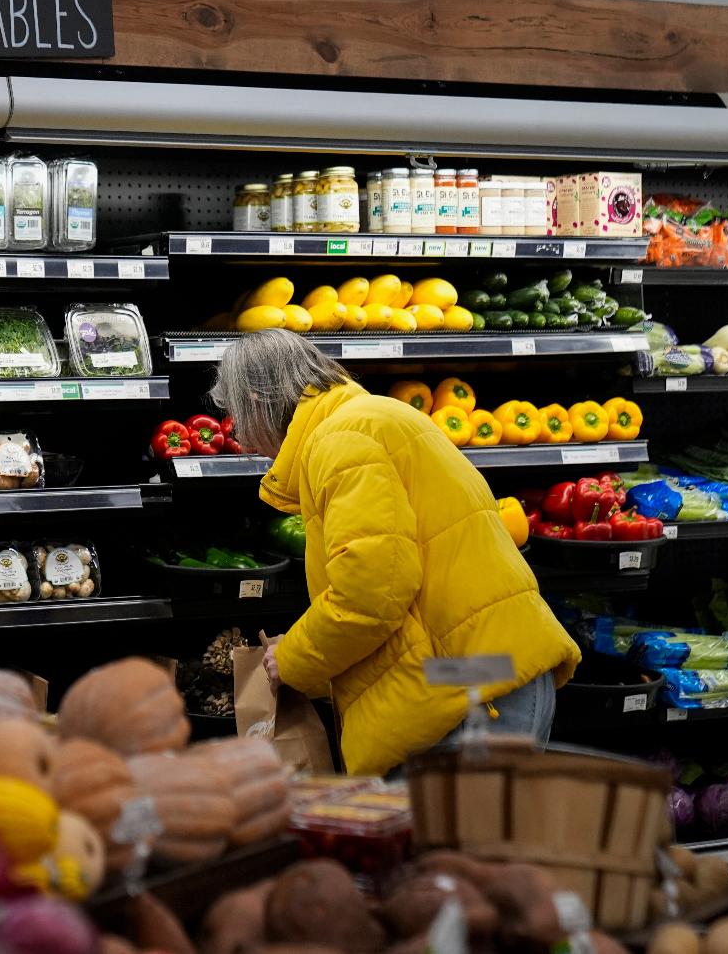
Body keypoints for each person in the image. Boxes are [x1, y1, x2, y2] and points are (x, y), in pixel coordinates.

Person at [209, 330, 580, 775]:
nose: (244, 440)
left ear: (256, 399)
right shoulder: (364, 420)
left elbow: (371, 593)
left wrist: (293, 660)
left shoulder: (342, 440)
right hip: (482, 666)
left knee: (454, 839)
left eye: (235, 415)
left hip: (478, 686)